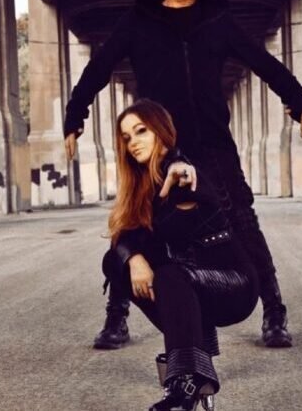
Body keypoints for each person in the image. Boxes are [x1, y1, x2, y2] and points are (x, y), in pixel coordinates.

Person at [64, 0, 302, 348]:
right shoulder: (139, 19)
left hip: (213, 144)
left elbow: (260, 61)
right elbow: (99, 67)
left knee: (243, 222)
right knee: (137, 221)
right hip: (160, 145)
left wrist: (296, 98)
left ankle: (274, 313)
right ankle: (116, 317)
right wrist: (75, 115)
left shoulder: (217, 20)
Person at [107, 99, 259, 411]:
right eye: (126, 137)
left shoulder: (181, 174)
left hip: (232, 282)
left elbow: (183, 174)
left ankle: (184, 385)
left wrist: (180, 170)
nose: (133, 142)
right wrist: (135, 259)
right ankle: (193, 365)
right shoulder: (142, 185)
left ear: (161, 132)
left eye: (141, 131)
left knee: (167, 273)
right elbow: (122, 240)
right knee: (116, 263)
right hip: (188, 284)